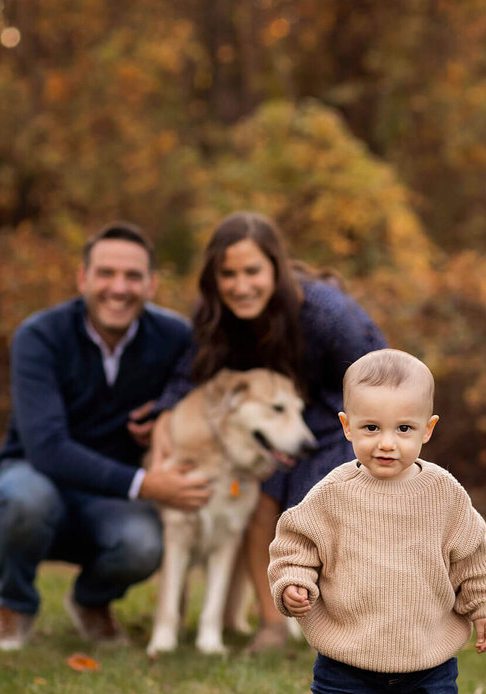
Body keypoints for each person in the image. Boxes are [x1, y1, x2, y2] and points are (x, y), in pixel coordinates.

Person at [267, 348, 486, 694]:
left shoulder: (443, 493)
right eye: (371, 428)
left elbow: (472, 555)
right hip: (348, 641)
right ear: (346, 426)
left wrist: (483, 606)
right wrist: (295, 582)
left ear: (428, 430)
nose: (386, 443)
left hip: (425, 643)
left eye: (404, 429)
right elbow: (296, 544)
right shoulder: (333, 493)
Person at [151, 211, 387, 652]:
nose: (241, 285)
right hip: (278, 426)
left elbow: (379, 374)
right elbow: (189, 375)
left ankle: (359, 625)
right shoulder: (216, 316)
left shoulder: (326, 312)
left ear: (275, 268)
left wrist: (379, 437)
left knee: (321, 509)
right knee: (259, 504)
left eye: (252, 271)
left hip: (345, 418)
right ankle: (272, 623)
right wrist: (165, 414)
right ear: (214, 278)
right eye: (228, 274)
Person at [0, 221, 211, 650]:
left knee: (146, 543)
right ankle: (14, 606)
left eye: (132, 276)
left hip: (109, 498)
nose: (118, 288)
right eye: (106, 273)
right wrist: (145, 484)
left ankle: (91, 601)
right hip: (35, 475)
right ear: (82, 278)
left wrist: (163, 413)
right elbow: (46, 447)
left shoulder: (176, 336)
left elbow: (196, 388)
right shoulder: (40, 336)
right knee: (22, 499)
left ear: (152, 284)